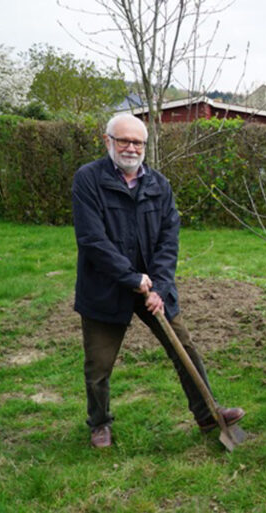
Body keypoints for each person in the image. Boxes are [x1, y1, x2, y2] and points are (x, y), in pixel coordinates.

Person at [72, 113, 244, 448]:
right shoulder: (88, 180)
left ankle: (209, 414)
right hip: (106, 288)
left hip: (152, 288)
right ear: (107, 141)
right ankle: (99, 423)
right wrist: (131, 277)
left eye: (138, 142)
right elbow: (92, 240)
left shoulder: (158, 184)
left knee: (185, 351)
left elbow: (169, 239)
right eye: (124, 140)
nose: (131, 148)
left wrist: (159, 288)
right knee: (99, 365)